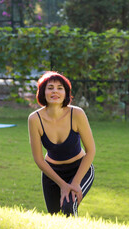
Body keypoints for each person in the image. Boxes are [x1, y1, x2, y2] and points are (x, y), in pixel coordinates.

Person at [28, 71, 96, 217]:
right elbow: (39, 159)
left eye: (60, 88)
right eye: (50, 87)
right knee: (55, 218)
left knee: (68, 207)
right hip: (52, 173)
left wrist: (75, 183)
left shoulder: (77, 114)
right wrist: (63, 185)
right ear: (43, 92)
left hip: (79, 169)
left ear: (66, 93)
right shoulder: (34, 119)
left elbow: (91, 151)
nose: (55, 91)